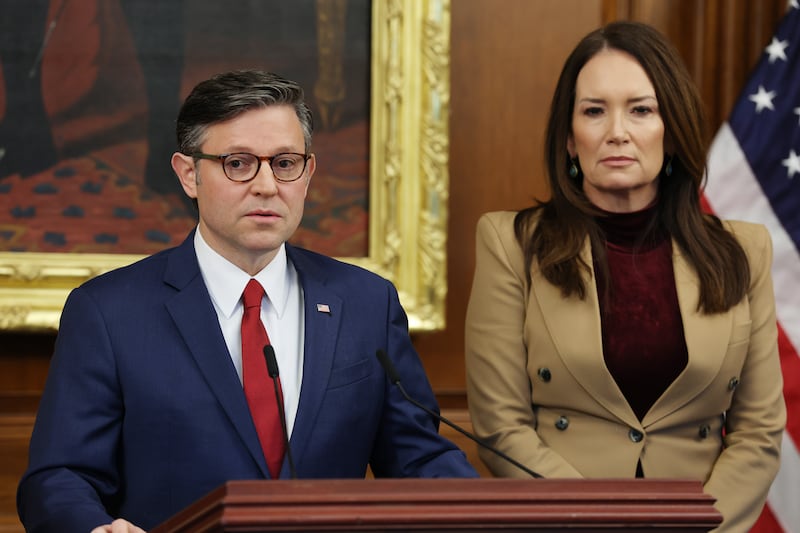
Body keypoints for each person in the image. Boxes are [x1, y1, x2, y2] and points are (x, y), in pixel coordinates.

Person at [17, 69, 478, 533]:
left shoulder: (365, 303)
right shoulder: (108, 312)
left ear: (308, 173)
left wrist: (483, 512)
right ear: (188, 175)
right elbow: (60, 477)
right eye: (238, 163)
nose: (266, 185)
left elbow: (421, 459)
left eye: (284, 163)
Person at [464, 21, 785, 532]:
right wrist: (596, 523)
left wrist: (701, 529)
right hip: (566, 524)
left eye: (641, 109)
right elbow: (501, 428)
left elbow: (759, 432)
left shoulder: (744, 250)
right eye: (594, 111)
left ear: (672, 129)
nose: (618, 131)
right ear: (570, 138)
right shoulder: (511, 244)